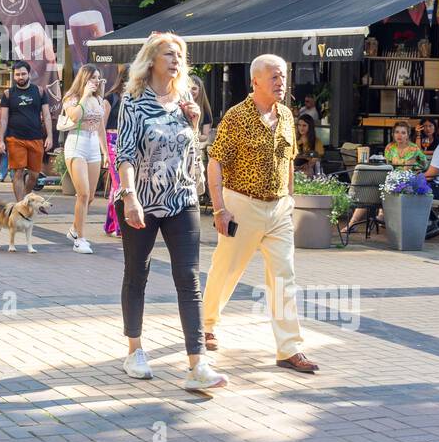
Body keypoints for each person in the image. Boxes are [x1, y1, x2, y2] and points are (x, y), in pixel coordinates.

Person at [114, 32, 228, 391]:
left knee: (189, 279)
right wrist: (130, 197)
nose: (176, 59)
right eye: (169, 53)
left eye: (180, 54)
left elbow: (189, 152)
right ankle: (134, 350)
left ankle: (198, 364)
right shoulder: (132, 101)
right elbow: (126, 154)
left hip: (181, 199)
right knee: (137, 273)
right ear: (151, 59)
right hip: (142, 200)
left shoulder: (184, 99)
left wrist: (193, 125)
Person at [201, 51, 317, 377]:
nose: (281, 82)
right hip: (242, 204)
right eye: (275, 77)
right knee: (227, 269)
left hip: (278, 207)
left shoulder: (287, 115)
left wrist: (291, 200)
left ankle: (289, 348)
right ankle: (207, 324)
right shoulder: (237, 117)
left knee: (284, 277)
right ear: (256, 81)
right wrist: (220, 208)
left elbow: (289, 160)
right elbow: (216, 161)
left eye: (283, 76)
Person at [59, 64, 109, 254]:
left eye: (99, 78)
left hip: (93, 146)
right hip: (76, 144)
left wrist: (105, 152)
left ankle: (74, 228)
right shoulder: (72, 98)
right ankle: (80, 239)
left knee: (90, 197)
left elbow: (101, 127)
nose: (97, 81)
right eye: (93, 78)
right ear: (84, 79)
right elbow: (74, 116)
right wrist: (85, 95)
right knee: (83, 194)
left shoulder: (99, 100)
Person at [0, 61, 52, 202]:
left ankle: (25, 198)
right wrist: (0, 140)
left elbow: (46, 115)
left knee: (34, 175)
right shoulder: (8, 94)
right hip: (15, 138)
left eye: (23, 74)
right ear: (14, 76)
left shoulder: (39, 92)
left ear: (29, 74)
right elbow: (3, 119)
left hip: (36, 137)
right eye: (17, 74)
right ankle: (21, 205)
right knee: (18, 173)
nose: (20, 77)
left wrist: (50, 136)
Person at [103, 67, 126, 238]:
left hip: (128, 142)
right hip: (112, 141)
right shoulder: (111, 97)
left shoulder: (137, 97)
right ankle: (120, 226)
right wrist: (104, 151)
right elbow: (100, 127)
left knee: (117, 186)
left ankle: (111, 224)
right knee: (120, 184)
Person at [294, 113, 325, 177]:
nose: (301, 128)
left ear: (310, 127)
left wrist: (307, 165)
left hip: (309, 171)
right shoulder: (294, 140)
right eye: (299, 125)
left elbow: (316, 158)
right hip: (294, 169)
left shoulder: (316, 141)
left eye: (304, 125)